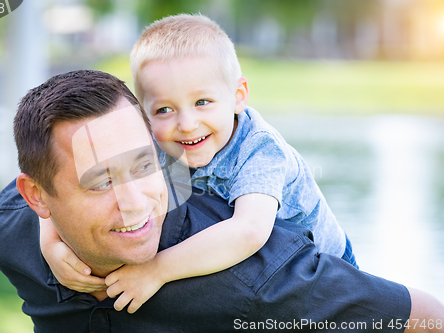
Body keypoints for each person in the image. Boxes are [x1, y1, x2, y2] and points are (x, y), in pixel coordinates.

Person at [0, 69, 444, 333]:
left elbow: (428, 319)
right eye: (99, 182)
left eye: (145, 166)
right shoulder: (15, 231)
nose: (134, 204)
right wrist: (49, 240)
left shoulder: (256, 280)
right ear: (39, 199)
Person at [41, 14, 356, 313]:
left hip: (329, 267)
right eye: (164, 109)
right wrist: (52, 247)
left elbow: (248, 231)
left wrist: (156, 271)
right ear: (143, 114)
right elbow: (55, 182)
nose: (187, 124)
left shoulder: (260, 149)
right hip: (257, 266)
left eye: (202, 102)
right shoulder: (155, 138)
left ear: (238, 95)